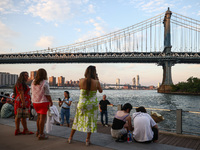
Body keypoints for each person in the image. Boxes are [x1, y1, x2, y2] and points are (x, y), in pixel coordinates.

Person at [68, 66, 103, 146]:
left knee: (76, 120)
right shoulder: (96, 82)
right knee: (90, 122)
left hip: (82, 104)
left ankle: (70, 137)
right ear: (94, 73)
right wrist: (97, 79)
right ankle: (87, 140)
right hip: (92, 105)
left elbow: (81, 88)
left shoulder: (81, 81)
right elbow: (101, 91)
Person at [31, 68, 53, 140]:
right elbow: (47, 94)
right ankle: (41, 134)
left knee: (38, 117)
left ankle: (38, 132)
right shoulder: (45, 82)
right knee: (42, 119)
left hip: (35, 102)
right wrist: (51, 101)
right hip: (43, 102)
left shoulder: (33, 82)